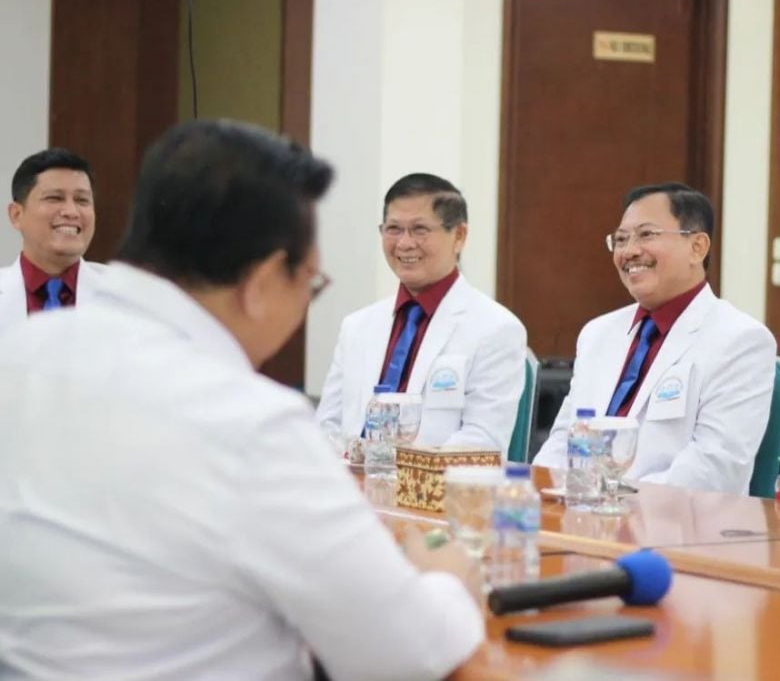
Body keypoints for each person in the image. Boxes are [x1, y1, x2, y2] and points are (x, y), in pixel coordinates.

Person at [0, 121, 482, 680]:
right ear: (260, 283)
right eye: (309, 283)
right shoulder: (251, 424)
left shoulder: (18, 356)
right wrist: (447, 575)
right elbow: (407, 654)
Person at [533, 182, 777, 494]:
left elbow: (714, 469)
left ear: (697, 247)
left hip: (678, 529)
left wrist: (614, 503)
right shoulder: (597, 334)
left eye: (646, 235)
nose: (630, 251)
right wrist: (540, 493)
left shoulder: (741, 341)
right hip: (582, 517)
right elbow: (564, 440)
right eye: (621, 239)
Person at [316, 173, 526, 453]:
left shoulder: (496, 329)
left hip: (438, 492)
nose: (404, 243)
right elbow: (327, 427)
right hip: (352, 489)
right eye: (393, 229)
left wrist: (398, 479)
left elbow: (482, 441)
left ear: (459, 236)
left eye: (419, 230)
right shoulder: (356, 326)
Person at [0, 147, 103, 327]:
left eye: (82, 200)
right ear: (16, 215)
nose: (71, 212)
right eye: (54, 198)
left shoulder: (125, 299)